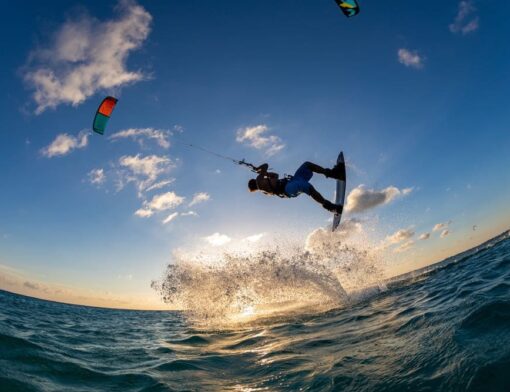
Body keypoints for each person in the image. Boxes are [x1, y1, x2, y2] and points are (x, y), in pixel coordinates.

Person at [248, 161, 344, 213]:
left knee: (307, 165)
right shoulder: (259, 180)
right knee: (308, 188)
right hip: (288, 188)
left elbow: (276, 176)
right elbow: (265, 165)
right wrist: (258, 169)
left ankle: (333, 174)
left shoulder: (263, 186)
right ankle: (331, 207)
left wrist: (266, 174)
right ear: (254, 181)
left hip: (291, 182)